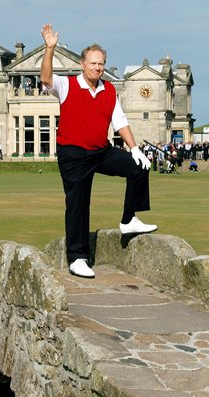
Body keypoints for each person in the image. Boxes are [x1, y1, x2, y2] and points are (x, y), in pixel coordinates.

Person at [40, 23, 157, 279]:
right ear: (82, 64)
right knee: (78, 204)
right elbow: (46, 79)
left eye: (101, 63)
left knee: (139, 167)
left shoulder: (109, 89)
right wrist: (50, 49)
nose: (97, 67)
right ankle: (77, 257)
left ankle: (128, 220)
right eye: (93, 63)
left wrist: (134, 148)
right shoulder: (68, 85)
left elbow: (120, 121)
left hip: (100, 151)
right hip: (73, 154)